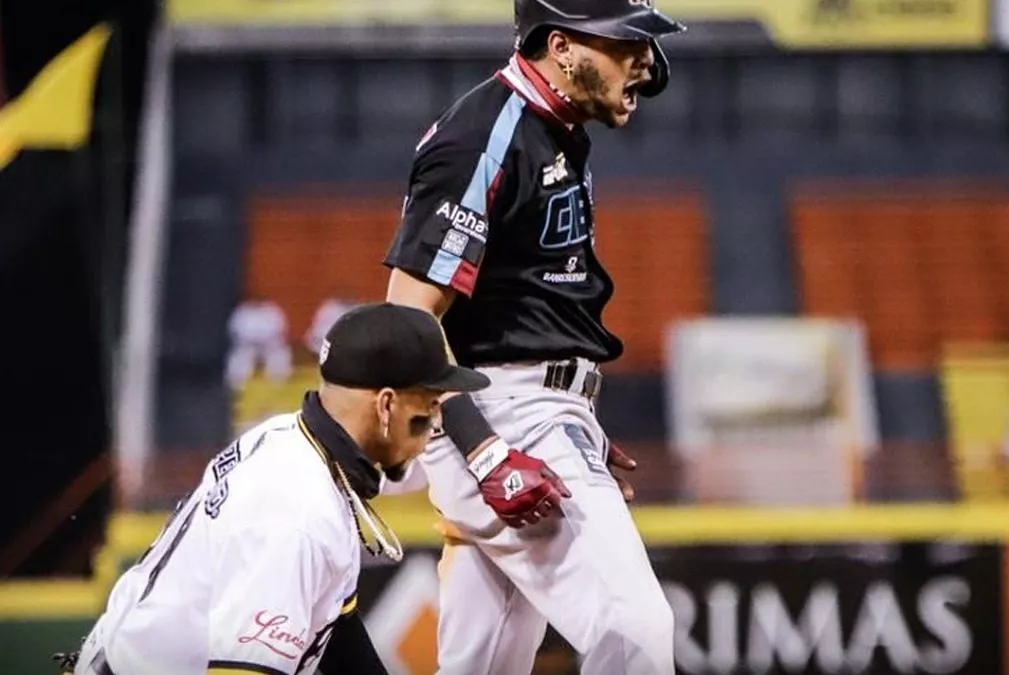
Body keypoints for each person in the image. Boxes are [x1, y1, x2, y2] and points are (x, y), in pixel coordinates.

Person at [382, 0, 686, 672]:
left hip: (534, 408)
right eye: (625, 41)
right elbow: (407, 317)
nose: (645, 59)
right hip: (499, 416)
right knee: (633, 630)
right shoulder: (485, 132)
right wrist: (485, 448)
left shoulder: (553, 126)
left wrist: (577, 414)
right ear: (561, 45)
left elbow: (519, 303)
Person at [58, 303, 490, 675]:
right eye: (428, 409)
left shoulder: (289, 438)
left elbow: (337, 625)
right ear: (386, 404)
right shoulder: (296, 514)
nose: (435, 425)